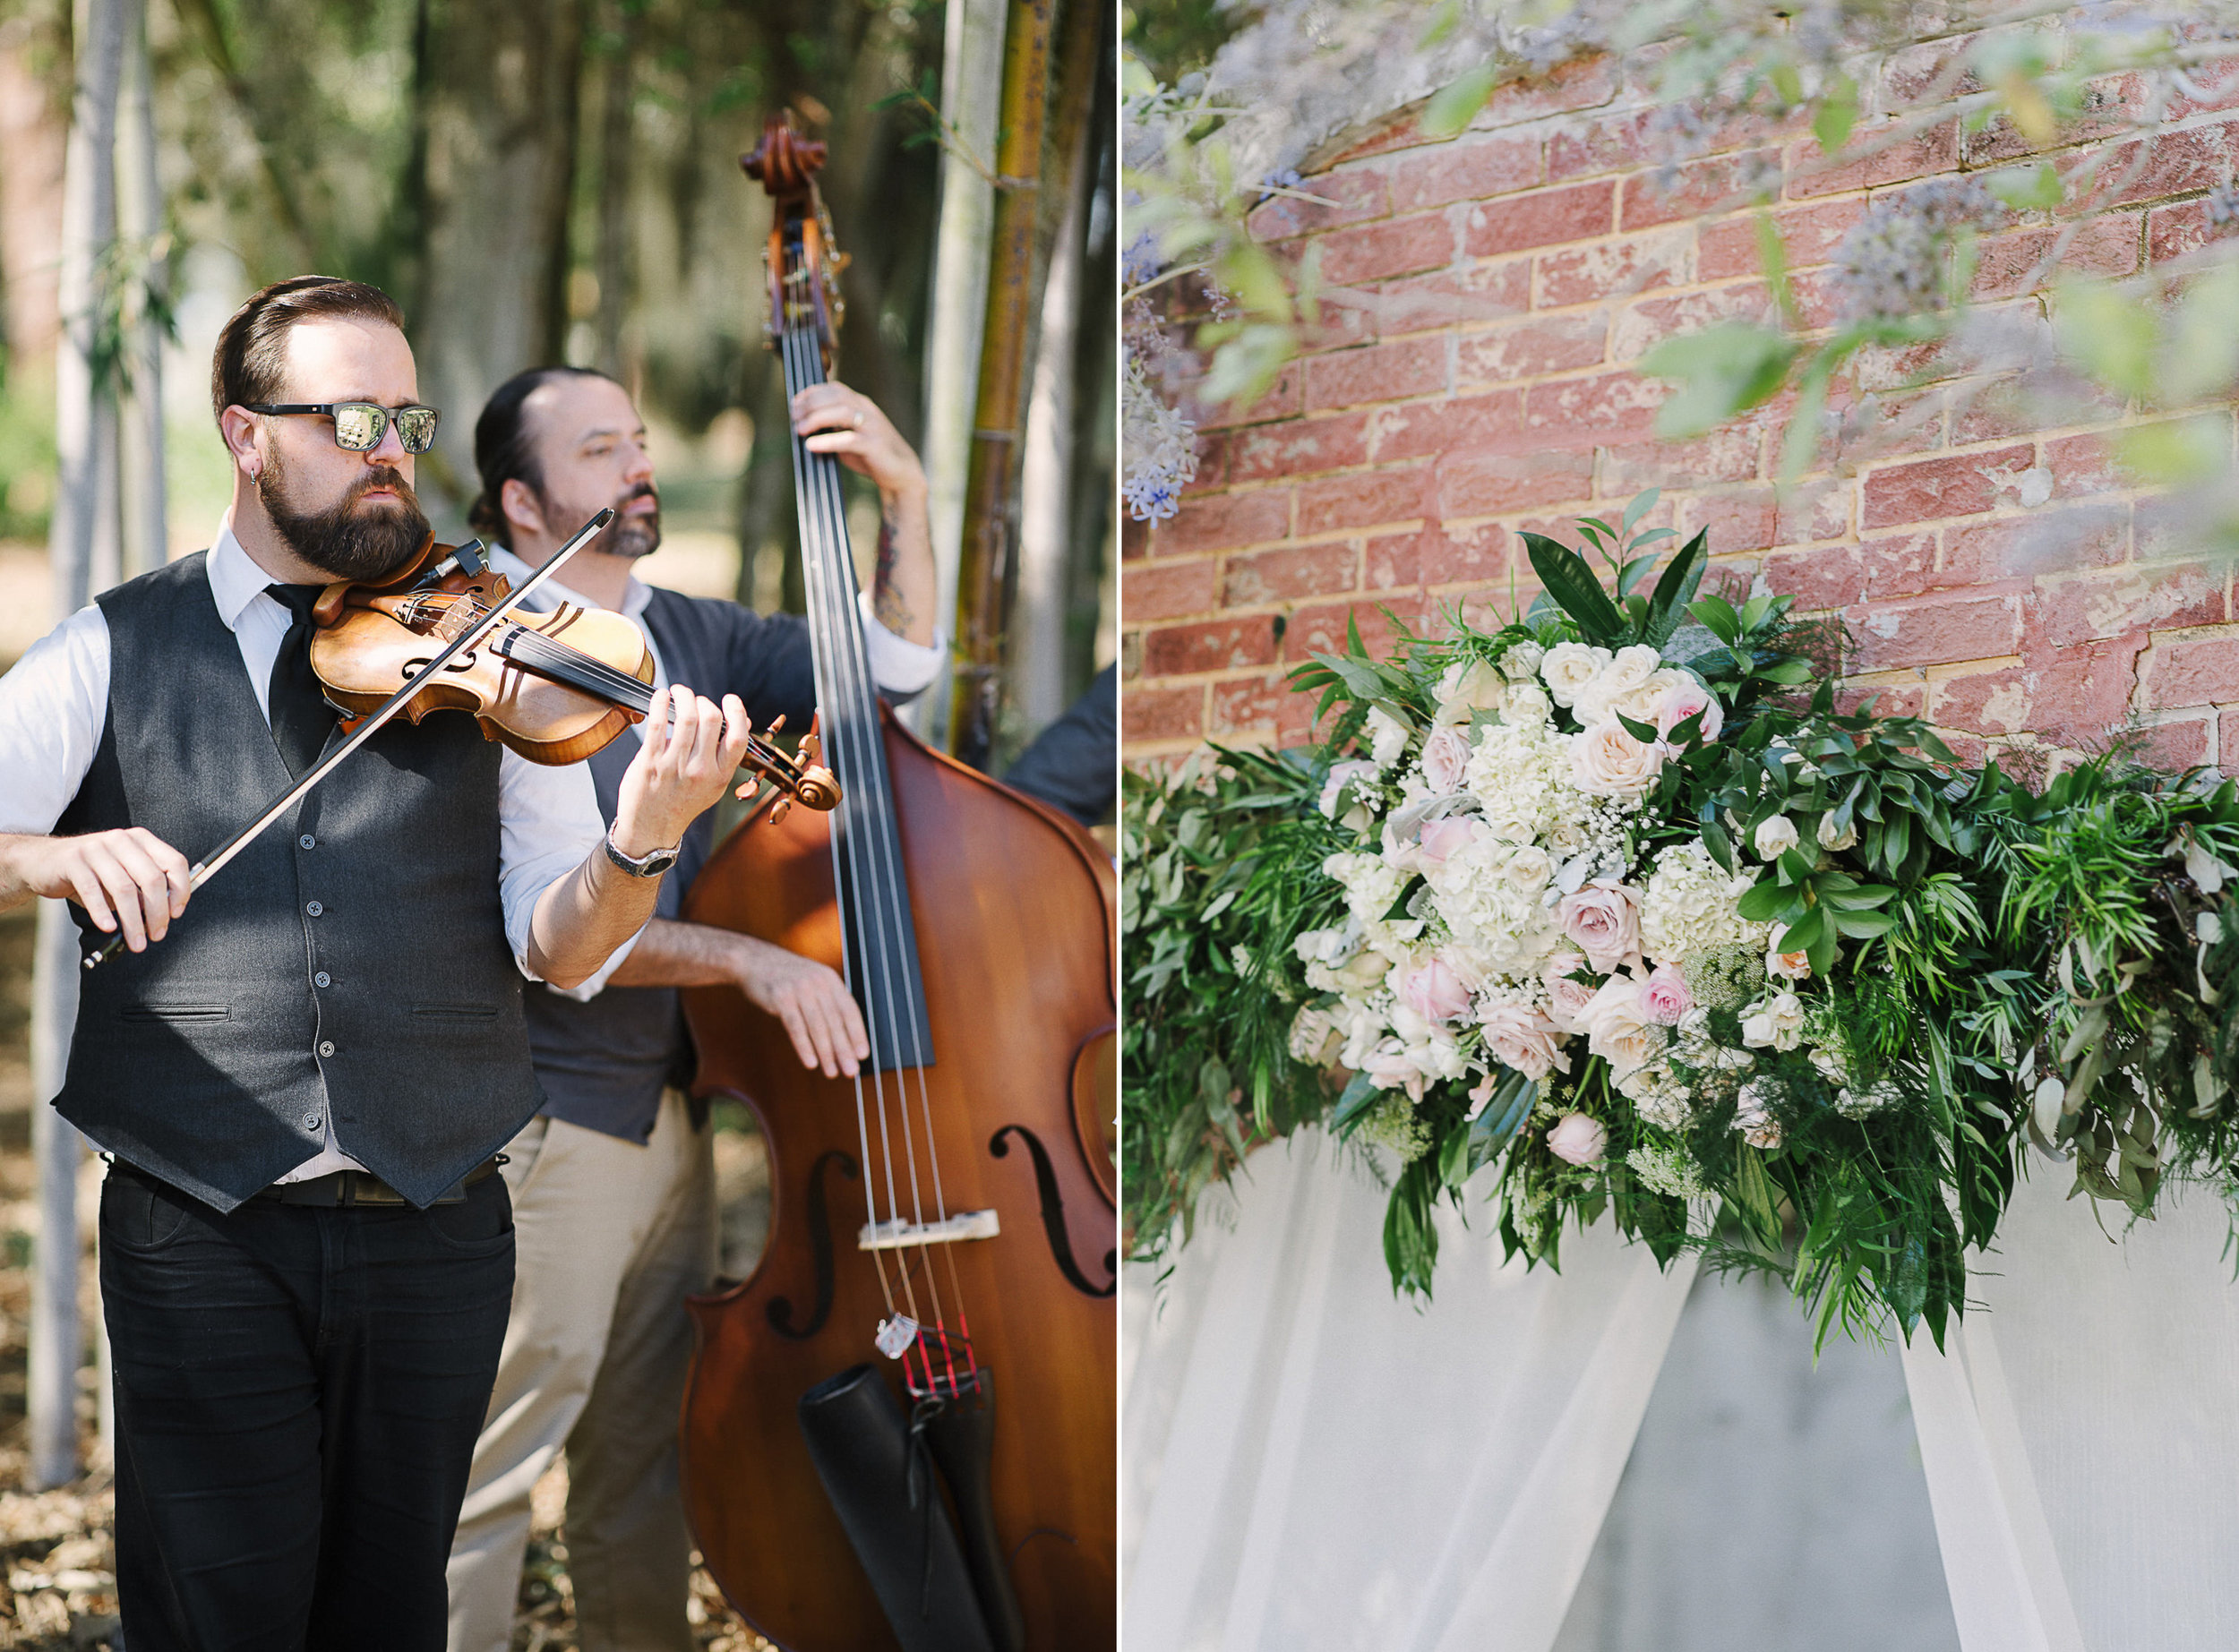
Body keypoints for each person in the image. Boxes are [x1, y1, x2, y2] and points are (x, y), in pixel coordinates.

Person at [0, 278, 759, 1649]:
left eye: (403, 413)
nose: (392, 445)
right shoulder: (117, 643)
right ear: (244, 435)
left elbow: (562, 947)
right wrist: (47, 857)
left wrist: (641, 838)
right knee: (218, 1616)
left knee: (390, 1614)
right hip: (199, 1228)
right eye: (352, 416)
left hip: (437, 1222)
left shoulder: (488, 651)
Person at [442, 364, 943, 1652]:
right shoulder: (474, 644)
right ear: (523, 497)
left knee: (640, 1461)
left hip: (666, 1114)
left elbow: (890, 675)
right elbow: (557, 927)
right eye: (600, 448)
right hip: (541, 1117)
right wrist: (757, 961)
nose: (636, 466)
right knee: (490, 1469)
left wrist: (909, 493)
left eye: (640, 441)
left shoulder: (694, 632)